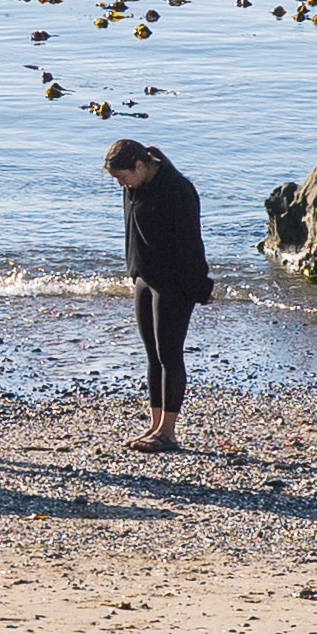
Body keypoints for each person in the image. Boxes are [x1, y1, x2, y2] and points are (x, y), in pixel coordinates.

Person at [105, 132, 211, 447]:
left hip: (175, 283)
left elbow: (191, 243)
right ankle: (155, 426)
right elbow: (133, 232)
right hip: (145, 278)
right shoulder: (134, 188)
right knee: (152, 356)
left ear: (140, 165)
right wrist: (133, 270)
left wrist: (200, 285)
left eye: (124, 177)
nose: (122, 185)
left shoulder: (178, 190)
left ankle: (169, 431)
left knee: (170, 355)